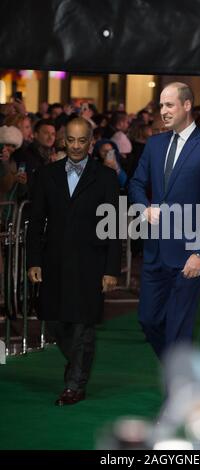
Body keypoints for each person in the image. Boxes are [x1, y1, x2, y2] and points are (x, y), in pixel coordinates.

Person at [27, 117, 121, 406]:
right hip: (53, 262)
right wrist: (34, 261)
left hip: (90, 263)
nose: (77, 146)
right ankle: (79, 365)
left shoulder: (106, 177)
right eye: (72, 140)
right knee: (55, 321)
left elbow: (114, 226)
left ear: (91, 142)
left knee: (82, 324)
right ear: (63, 140)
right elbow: (35, 223)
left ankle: (74, 384)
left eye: (83, 140)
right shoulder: (46, 174)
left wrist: (111, 269)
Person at [129, 82, 200, 359]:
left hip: (188, 255)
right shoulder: (155, 144)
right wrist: (144, 208)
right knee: (148, 320)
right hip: (155, 250)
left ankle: (177, 389)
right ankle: (179, 370)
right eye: (161, 105)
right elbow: (136, 183)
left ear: (187, 105)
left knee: (178, 329)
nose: (163, 111)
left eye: (169, 104)